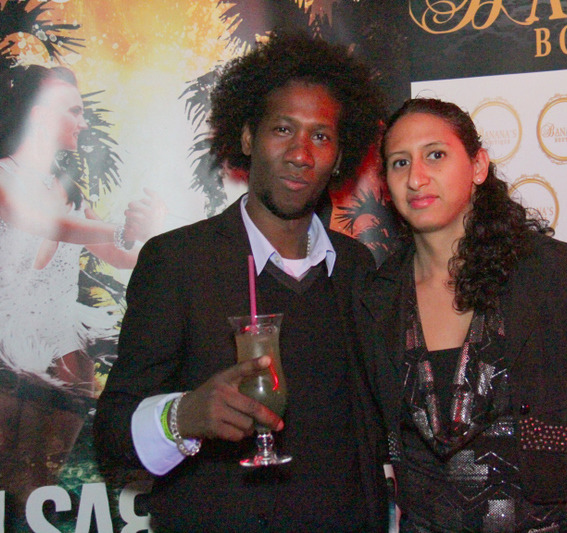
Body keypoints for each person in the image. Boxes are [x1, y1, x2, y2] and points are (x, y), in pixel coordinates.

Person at [93, 32, 389, 532]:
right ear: (248, 138)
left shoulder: (356, 267)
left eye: (321, 136)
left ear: (340, 155)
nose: (300, 153)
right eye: (282, 129)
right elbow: (112, 436)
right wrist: (182, 417)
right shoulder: (179, 262)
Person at [354, 98, 567, 532]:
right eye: (400, 162)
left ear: (478, 166)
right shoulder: (377, 298)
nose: (416, 178)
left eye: (436, 155)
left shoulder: (563, 275)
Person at [0, 65, 165, 511]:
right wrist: (121, 228)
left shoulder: (70, 191)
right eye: (74, 111)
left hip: (64, 351)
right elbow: (45, 224)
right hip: (0, 355)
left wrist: (147, 234)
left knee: (41, 485)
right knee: (9, 487)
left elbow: (119, 256)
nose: (83, 122)